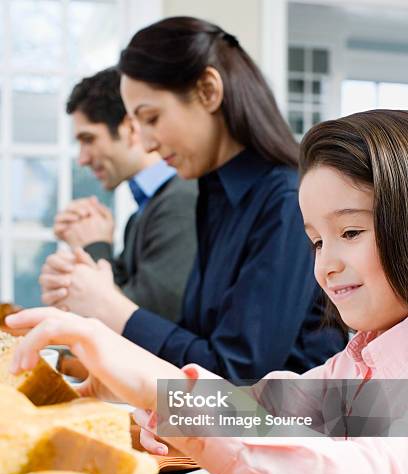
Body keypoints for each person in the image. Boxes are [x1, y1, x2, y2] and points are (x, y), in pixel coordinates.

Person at [8, 109, 408, 474]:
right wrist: (157, 397)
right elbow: (282, 407)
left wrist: (160, 385)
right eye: (316, 241)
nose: (325, 265)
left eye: (350, 231)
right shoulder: (365, 359)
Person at [52, 16, 344, 382]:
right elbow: (196, 343)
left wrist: (114, 309)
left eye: (152, 118)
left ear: (208, 91)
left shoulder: (285, 200)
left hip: (291, 429)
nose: (145, 143)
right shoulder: (213, 196)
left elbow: (239, 376)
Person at [41, 67, 197, 324]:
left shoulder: (181, 201)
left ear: (130, 128)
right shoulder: (145, 212)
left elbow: (143, 325)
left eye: (89, 139)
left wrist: (94, 247)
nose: (82, 158)